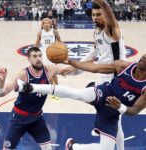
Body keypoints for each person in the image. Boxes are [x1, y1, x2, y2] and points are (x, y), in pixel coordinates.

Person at [17, 53, 146, 150]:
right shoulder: (124, 66)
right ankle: (31, 87)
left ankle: (73, 146)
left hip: (113, 111)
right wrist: (72, 62)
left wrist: (120, 107)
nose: (143, 58)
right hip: (104, 93)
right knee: (77, 94)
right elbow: (94, 68)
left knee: (106, 148)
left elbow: (134, 110)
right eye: (143, 56)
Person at [61, 0, 126, 149]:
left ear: (106, 15)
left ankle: (75, 145)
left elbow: (110, 15)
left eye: (99, 14)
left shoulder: (112, 30)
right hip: (104, 79)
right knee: (117, 121)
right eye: (93, 15)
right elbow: (93, 53)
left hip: (117, 80)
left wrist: (102, 3)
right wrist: (73, 68)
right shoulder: (96, 32)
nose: (95, 17)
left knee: (116, 121)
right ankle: (101, 126)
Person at [0, 47, 62, 150]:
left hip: (37, 118)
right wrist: (1, 81)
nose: (38, 59)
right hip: (18, 118)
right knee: (7, 148)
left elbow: (68, 70)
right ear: (29, 59)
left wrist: (79, 62)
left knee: (48, 148)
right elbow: (1, 93)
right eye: (34, 56)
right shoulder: (23, 74)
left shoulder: (49, 70)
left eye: (40, 56)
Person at [35, 17, 61, 86]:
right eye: (45, 23)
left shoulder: (54, 31)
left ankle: (57, 86)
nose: (46, 24)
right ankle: (52, 87)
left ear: (50, 24)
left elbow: (60, 41)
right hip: (44, 54)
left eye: (48, 23)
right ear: (42, 25)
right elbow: (36, 44)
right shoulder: (40, 32)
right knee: (47, 71)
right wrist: (34, 53)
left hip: (53, 53)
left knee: (53, 71)